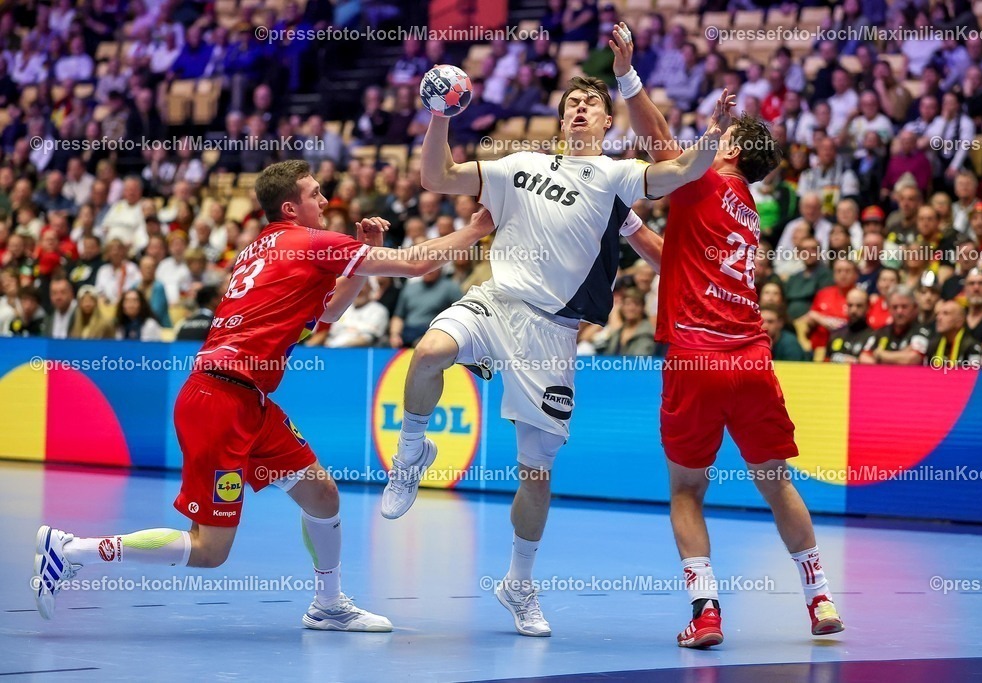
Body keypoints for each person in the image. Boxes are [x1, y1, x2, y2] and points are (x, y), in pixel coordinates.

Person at [32, 160, 497, 630]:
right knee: (210, 550)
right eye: (316, 194)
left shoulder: (261, 249)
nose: (326, 201)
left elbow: (329, 312)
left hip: (246, 400)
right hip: (218, 402)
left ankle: (327, 604)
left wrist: (360, 257)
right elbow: (414, 265)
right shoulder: (309, 241)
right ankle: (73, 551)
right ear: (291, 207)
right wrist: (476, 229)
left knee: (322, 496)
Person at [378, 68, 714, 638]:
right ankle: (412, 452)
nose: (581, 108)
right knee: (430, 350)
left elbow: (682, 171)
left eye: (592, 103)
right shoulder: (519, 165)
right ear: (561, 120)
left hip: (552, 336)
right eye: (573, 103)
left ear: (609, 122)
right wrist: (439, 114)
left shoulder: (615, 178)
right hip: (498, 299)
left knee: (535, 474)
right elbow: (437, 175)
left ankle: (519, 583)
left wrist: (715, 133)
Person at [611, 22, 843, 647]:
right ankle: (820, 598)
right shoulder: (744, 212)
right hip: (751, 361)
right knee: (776, 483)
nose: (707, 141)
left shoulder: (705, 178)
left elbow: (658, 140)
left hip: (694, 359)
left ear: (733, 151)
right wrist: (628, 222)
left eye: (722, 137)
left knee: (687, 490)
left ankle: (706, 611)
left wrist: (627, 74)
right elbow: (677, 260)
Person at [859, 285, 932, 365]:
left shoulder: (922, 331)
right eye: (894, 307)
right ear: (889, 309)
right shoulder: (881, 332)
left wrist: (880, 354)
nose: (899, 311)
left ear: (914, 307)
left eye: (904, 307)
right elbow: (863, 357)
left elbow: (912, 359)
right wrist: (901, 355)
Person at [824, 288, 871, 363]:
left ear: (868, 307)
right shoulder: (835, 334)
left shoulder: (873, 336)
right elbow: (825, 363)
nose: (853, 310)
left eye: (859, 306)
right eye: (850, 305)